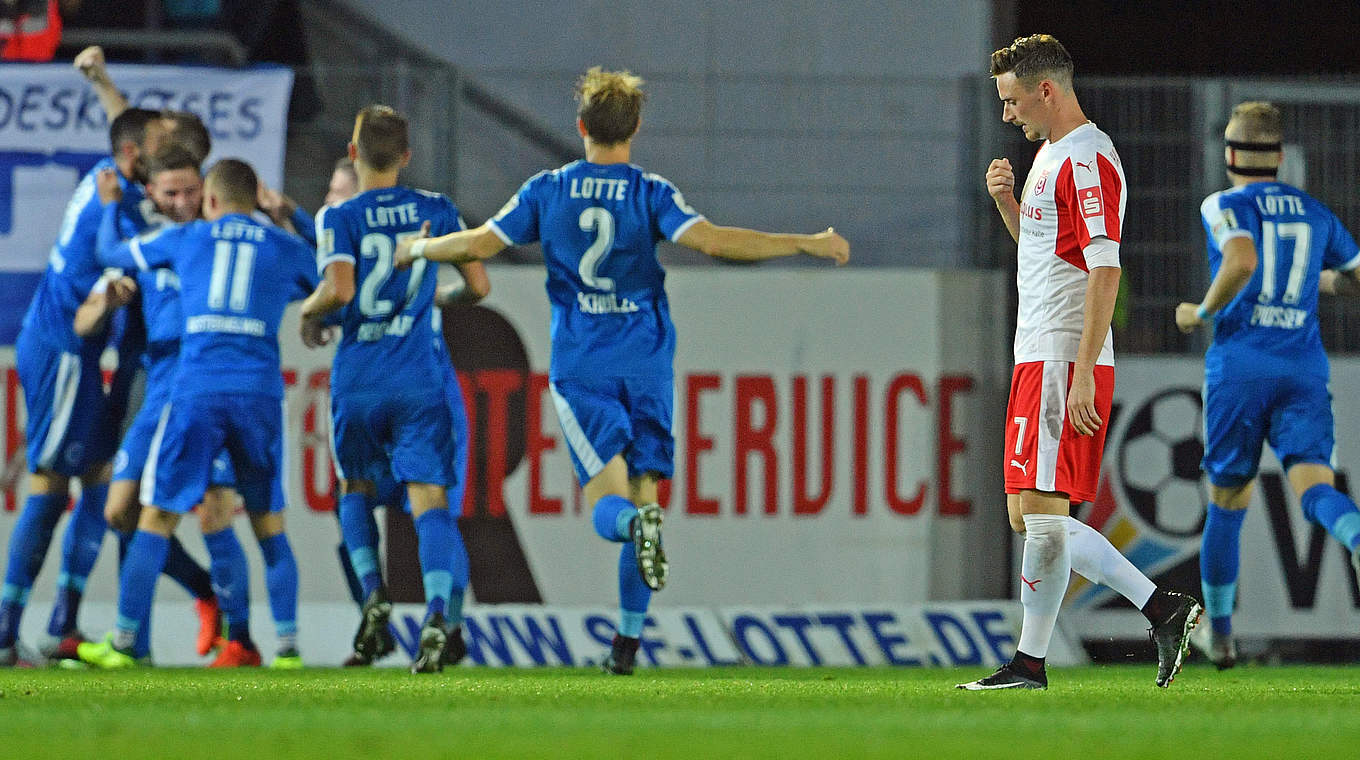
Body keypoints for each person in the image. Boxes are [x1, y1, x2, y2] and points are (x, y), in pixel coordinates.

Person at [392, 66, 848, 675]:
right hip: (648, 363)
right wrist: (803, 243)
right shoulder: (650, 192)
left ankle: (636, 529)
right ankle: (626, 646)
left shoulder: (547, 190)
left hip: (584, 368)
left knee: (612, 506)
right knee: (645, 492)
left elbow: (478, 244)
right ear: (635, 128)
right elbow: (713, 241)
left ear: (580, 126)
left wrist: (418, 248)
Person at [958, 35, 1201, 691]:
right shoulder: (1049, 156)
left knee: (1040, 515)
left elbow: (1104, 269)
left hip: (1062, 354)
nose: (1007, 116)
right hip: (1039, 352)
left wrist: (1087, 369)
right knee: (1030, 517)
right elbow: (1047, 254)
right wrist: (1008, 207)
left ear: (1046, 90)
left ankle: (1145, 614)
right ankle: (1048, 655)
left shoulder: (1088, 160)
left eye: (1012, 101)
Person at [76, 159, 317, 669]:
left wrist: (108, 206)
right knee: (268, 523)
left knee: (157, 515)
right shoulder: (284, 247)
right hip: (258, 394)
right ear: (257, 199)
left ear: (209, 201)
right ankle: (290, 651)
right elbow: (338, 280)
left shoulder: (187, 239)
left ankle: (122, 644)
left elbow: (107, 252)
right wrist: (289, 218)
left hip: (197, 389)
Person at [300, 105, 484, 672]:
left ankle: (374, 597)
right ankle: (434, 616)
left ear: (354, 155)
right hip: (419, 377)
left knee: (354, 491)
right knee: (431, 505)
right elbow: (478, 286)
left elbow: (337, 288)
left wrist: (308, 314)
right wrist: (437, 297)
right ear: (407, 156)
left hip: (359, 379)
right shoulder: (437, 209)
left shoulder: (338, 216)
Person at [1176, 101, 1360, 670]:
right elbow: (1355, 278)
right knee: (1313, 489)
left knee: (1228, 504)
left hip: (1241, 367)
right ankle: (1356, 536)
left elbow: (1242, 259)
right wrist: (1315, 285)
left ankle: (1223, 635)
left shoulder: (1222, 203)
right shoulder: (1314, 211)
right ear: (1280, 157)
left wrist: (1200, 313)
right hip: (1303, 368)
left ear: (1229, 155)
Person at [72, 144, 252, 665]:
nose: (182, 201)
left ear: (208, 193)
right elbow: (82, 321)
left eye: (191, 191)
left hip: (210, 388)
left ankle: (241, 640)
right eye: (170, 192)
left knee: (216, 511)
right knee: (120, 511)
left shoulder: (225, 243)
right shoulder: (151, 243)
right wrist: (107, 302)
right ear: (151, 193)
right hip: (155, 390)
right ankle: (204, 592)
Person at [0, 107, 164, 667]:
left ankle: (64, 624)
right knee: (49, 486)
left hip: (78, 355)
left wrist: (101, 84)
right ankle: (4, 632)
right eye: (157, 146)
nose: (163, 152)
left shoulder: (110, 173)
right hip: (65, 349)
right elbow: (112, 270)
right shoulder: (113, 209)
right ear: (132, 156)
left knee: (96, 476)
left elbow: (128, 125)